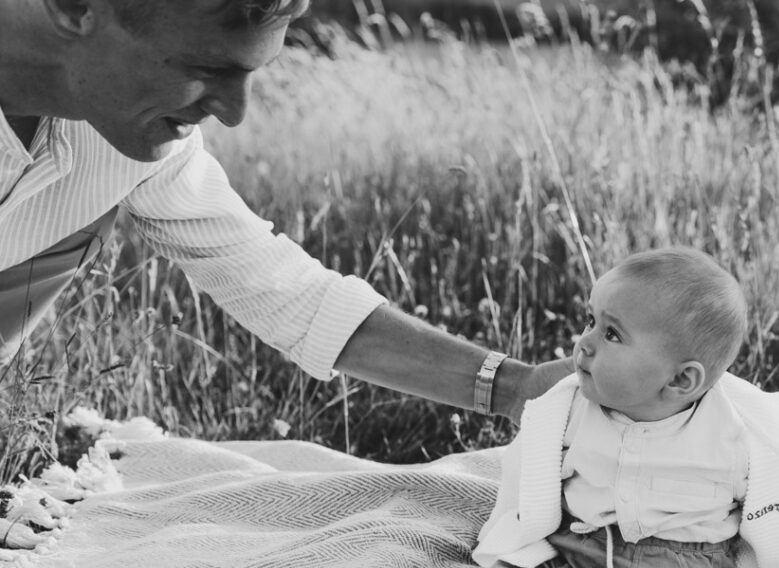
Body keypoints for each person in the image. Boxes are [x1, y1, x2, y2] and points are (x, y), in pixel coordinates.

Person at [0, 0, 571, 419]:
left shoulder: (133, 136)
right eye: (209, 69)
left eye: (250, 74)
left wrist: (519, 389)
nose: (234, 113)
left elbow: (284, 290)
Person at [436, 247, 779, 568]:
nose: (584, 342)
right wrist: (524, 531)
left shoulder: (733, 433)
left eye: (612, 335)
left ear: (680, 380)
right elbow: (535, 475)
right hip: (575, 558)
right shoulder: (569, 409)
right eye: (590, 321)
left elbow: (775, 492)